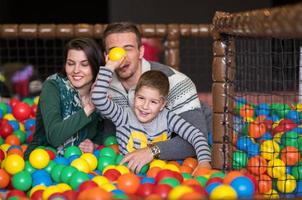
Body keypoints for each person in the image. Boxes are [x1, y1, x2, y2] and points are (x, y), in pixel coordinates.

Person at [100, 22, 212, 171]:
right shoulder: (107, 85)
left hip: (202, 136)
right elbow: (111, 131)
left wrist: (151, 151)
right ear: (106, 56)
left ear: (141, 52)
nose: (121, 57)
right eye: (115, 51)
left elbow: (198, 138)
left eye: (128, 48)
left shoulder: (176, 83)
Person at [92, 60, 211, 173]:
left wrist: (204, 162)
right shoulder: (122, 115)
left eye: (153, 102)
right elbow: (97, 98)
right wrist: (109, 67)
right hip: (126, 174)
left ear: (162, 105)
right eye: (141, 98)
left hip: (159, 174)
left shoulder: (168, 118)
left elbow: (196, 135)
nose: (145, 106)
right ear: (134, 96)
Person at [24, 38, 107, 159]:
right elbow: (54, 137)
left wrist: (93, 145)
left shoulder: (100, 92)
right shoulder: (53, 86)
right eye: (71, 63)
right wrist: (88, 108)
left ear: (95, 67)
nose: (76, 70)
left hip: (78, 164)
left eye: (84, 64)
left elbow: (102, 129)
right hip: (42, 161)